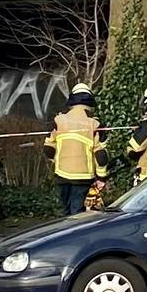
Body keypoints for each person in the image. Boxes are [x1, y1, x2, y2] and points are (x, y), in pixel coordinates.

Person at [46, 84, 101, 215]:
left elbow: (48, 148)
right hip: (83, 177)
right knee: (77, 214)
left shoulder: (59, 120)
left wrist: (57, 162)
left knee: (63, 211)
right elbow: (101, 154)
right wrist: (102, 176)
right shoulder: (94, 123)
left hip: (62, 174)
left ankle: (62, 234)